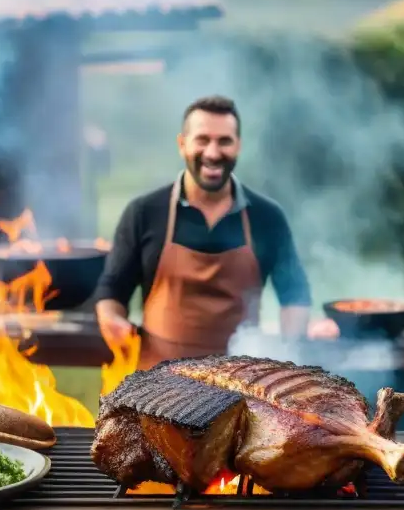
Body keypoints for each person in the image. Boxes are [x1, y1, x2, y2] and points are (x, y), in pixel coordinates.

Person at [94, 95, 313, 369]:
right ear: (182, 144)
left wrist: (288, 352)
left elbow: (295, 295)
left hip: (242, 383)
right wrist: (111, 319)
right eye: (202, 140)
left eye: (224, 141)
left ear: (238, 146)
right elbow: (112, 290)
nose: (212, 153)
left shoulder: (267, 217)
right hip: (157, 384)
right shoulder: (145, 212)